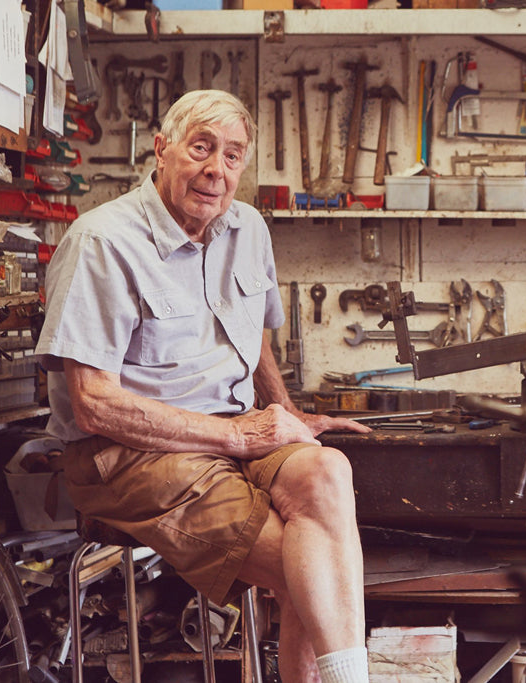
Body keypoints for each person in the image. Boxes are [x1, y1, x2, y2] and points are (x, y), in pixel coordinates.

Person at [35, 89, 372, 683]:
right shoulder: (102, 243)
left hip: (236, 433)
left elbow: (256, 340)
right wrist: (236, 438)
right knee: (310, 568)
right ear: (161, 151)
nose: (217, 170)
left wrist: (288, 413)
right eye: (201, 148)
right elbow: (92, 405)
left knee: (328, 471)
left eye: (233, 156)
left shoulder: (247, 227)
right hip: (131, 455)